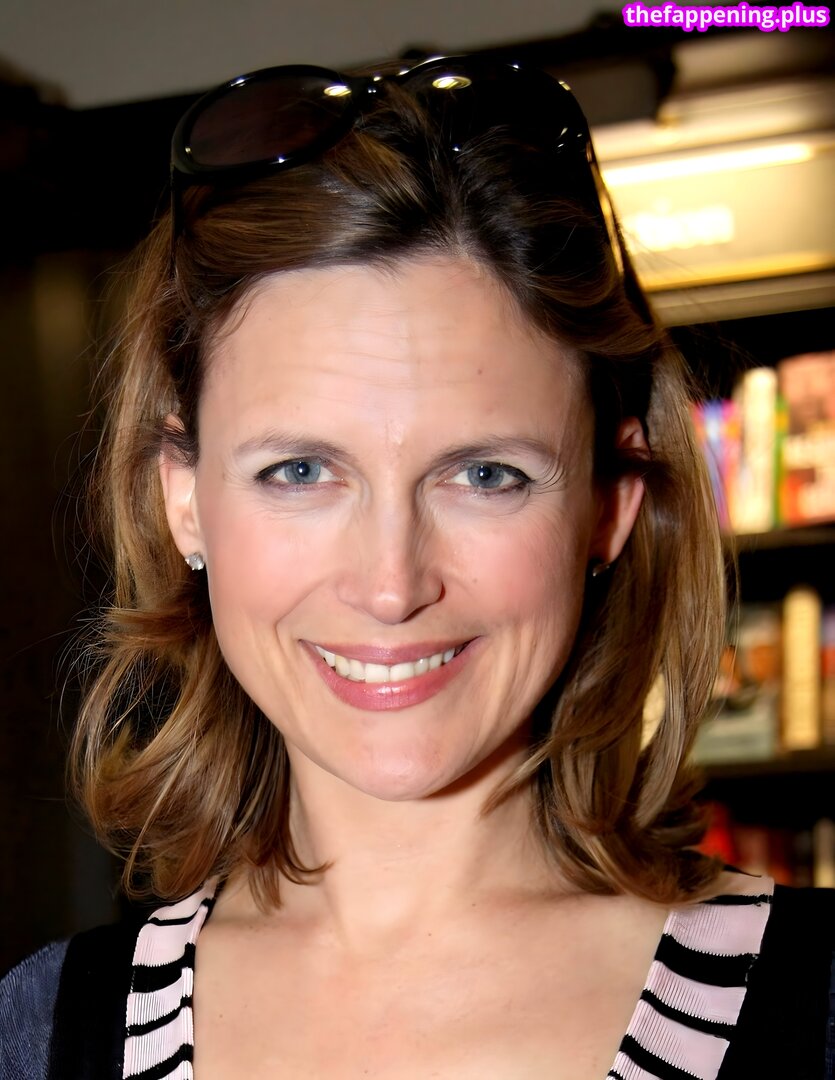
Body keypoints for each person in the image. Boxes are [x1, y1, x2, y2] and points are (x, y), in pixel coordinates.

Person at [1, 53, 833, 1080]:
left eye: (483, 475)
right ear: (185, 500)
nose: (391, 586)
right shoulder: (40, 1035)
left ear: (609, 508)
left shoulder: (819, 1007)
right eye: (300, 471)